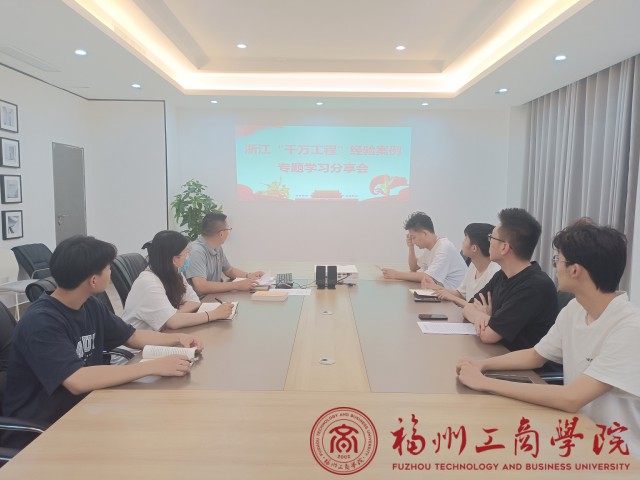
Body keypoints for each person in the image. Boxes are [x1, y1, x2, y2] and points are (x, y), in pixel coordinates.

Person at [457, 220, 640, 457]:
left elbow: (572, 398)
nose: (555, 268)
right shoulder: (575, 309)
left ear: (575, 270)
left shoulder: (630, 327)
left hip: (619, 454)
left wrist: (485, 382)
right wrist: (482, 365)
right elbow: (536, 355)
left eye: (558, 260)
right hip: (578, 436)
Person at [2, 235, 203, 449]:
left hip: (84, 410)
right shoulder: (41, 322)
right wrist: (153, 367)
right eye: (108, 268)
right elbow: (77, 380)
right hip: (42, 432)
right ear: (93, 280)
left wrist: (178, 338)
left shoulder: (89, 304)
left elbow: (132, 336)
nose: (111, 272)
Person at [463, 208, 557, 351]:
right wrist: (481, 316)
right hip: (496, 352)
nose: (489, 242)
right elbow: (468, 307)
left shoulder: (534, 286)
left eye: (491, 238)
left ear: (504, 247)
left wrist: (487, 320)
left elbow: (488, 336)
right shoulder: (502, 275)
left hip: (520, 363)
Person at [122, 230, 234, 332]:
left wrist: (174, 316)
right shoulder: (148, 283)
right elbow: (173, 323)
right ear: (175, 259)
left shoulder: (176, 272)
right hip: (140, 345)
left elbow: (194, 301)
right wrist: (213, 314)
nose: (188, 257)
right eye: (186, 253)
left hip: (161, 335)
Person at [381, 212, 467, 289]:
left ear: (425, 233)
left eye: (413, 237)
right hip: (442, 292)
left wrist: (396, 274)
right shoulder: (431, 248)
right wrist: (411, 248)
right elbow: (414, 267)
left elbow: (427, 277)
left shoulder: (444, 247)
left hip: (454, 297)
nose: (413, 241)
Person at [186, 212, 264, 295]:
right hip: (201, 300)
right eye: (228, 229)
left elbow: (229, 270)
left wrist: (248, 275)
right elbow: (201, 286)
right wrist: (237, 285)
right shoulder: (196, 252)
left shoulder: (217, 247)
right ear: (221, 234)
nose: (229, 232)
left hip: (214, 295)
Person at [433, 223, 501, 307]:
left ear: (474, 248)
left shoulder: (494, 273)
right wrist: (437, 288)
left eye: (465, 239)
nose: (462, 242)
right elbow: (461, 294)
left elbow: (478, 308)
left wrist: (453, 298)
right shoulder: (473, 264)